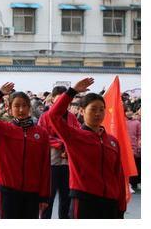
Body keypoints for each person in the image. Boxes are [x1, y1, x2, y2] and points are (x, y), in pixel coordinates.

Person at [48, 77, 126, 218]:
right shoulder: (74, 136)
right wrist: (71, 92)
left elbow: (118, 175)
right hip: (84, 201)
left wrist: (121, 205)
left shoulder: (112, 142)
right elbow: (53, 116)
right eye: (93, 109)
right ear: (82, 111)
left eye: (101, 109)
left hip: (110, 202)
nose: (98, 113)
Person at [0, 83, 50, 218]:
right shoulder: (1, 129)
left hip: (33, 192)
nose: (21, 110)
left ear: (30, 108)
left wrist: (44, 196)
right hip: (8, 191)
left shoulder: (41, 133)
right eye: (17, 106)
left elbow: (45, 167)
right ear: (9, 109)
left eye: (24, 105)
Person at [37, 85, 80, 219]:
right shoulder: (45, 116)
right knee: (47, 200)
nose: (64, 102)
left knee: (66, 199)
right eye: (60, 98)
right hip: (52, 162)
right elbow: (43, 136)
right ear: (53, 100)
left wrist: (68, 145)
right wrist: (61, 144)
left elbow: (77, 134)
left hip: (68, 163)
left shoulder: (72, 117)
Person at [126, 110, 141, 191]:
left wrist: (138, 144)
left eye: (130, 111)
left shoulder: (137, 123)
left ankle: (134, 183)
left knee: (135, 165)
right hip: (125, 146)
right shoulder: (122, 121)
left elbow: (139, 134)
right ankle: (128, 184)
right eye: (127, 111)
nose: (129, 112)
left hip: (134, 146)